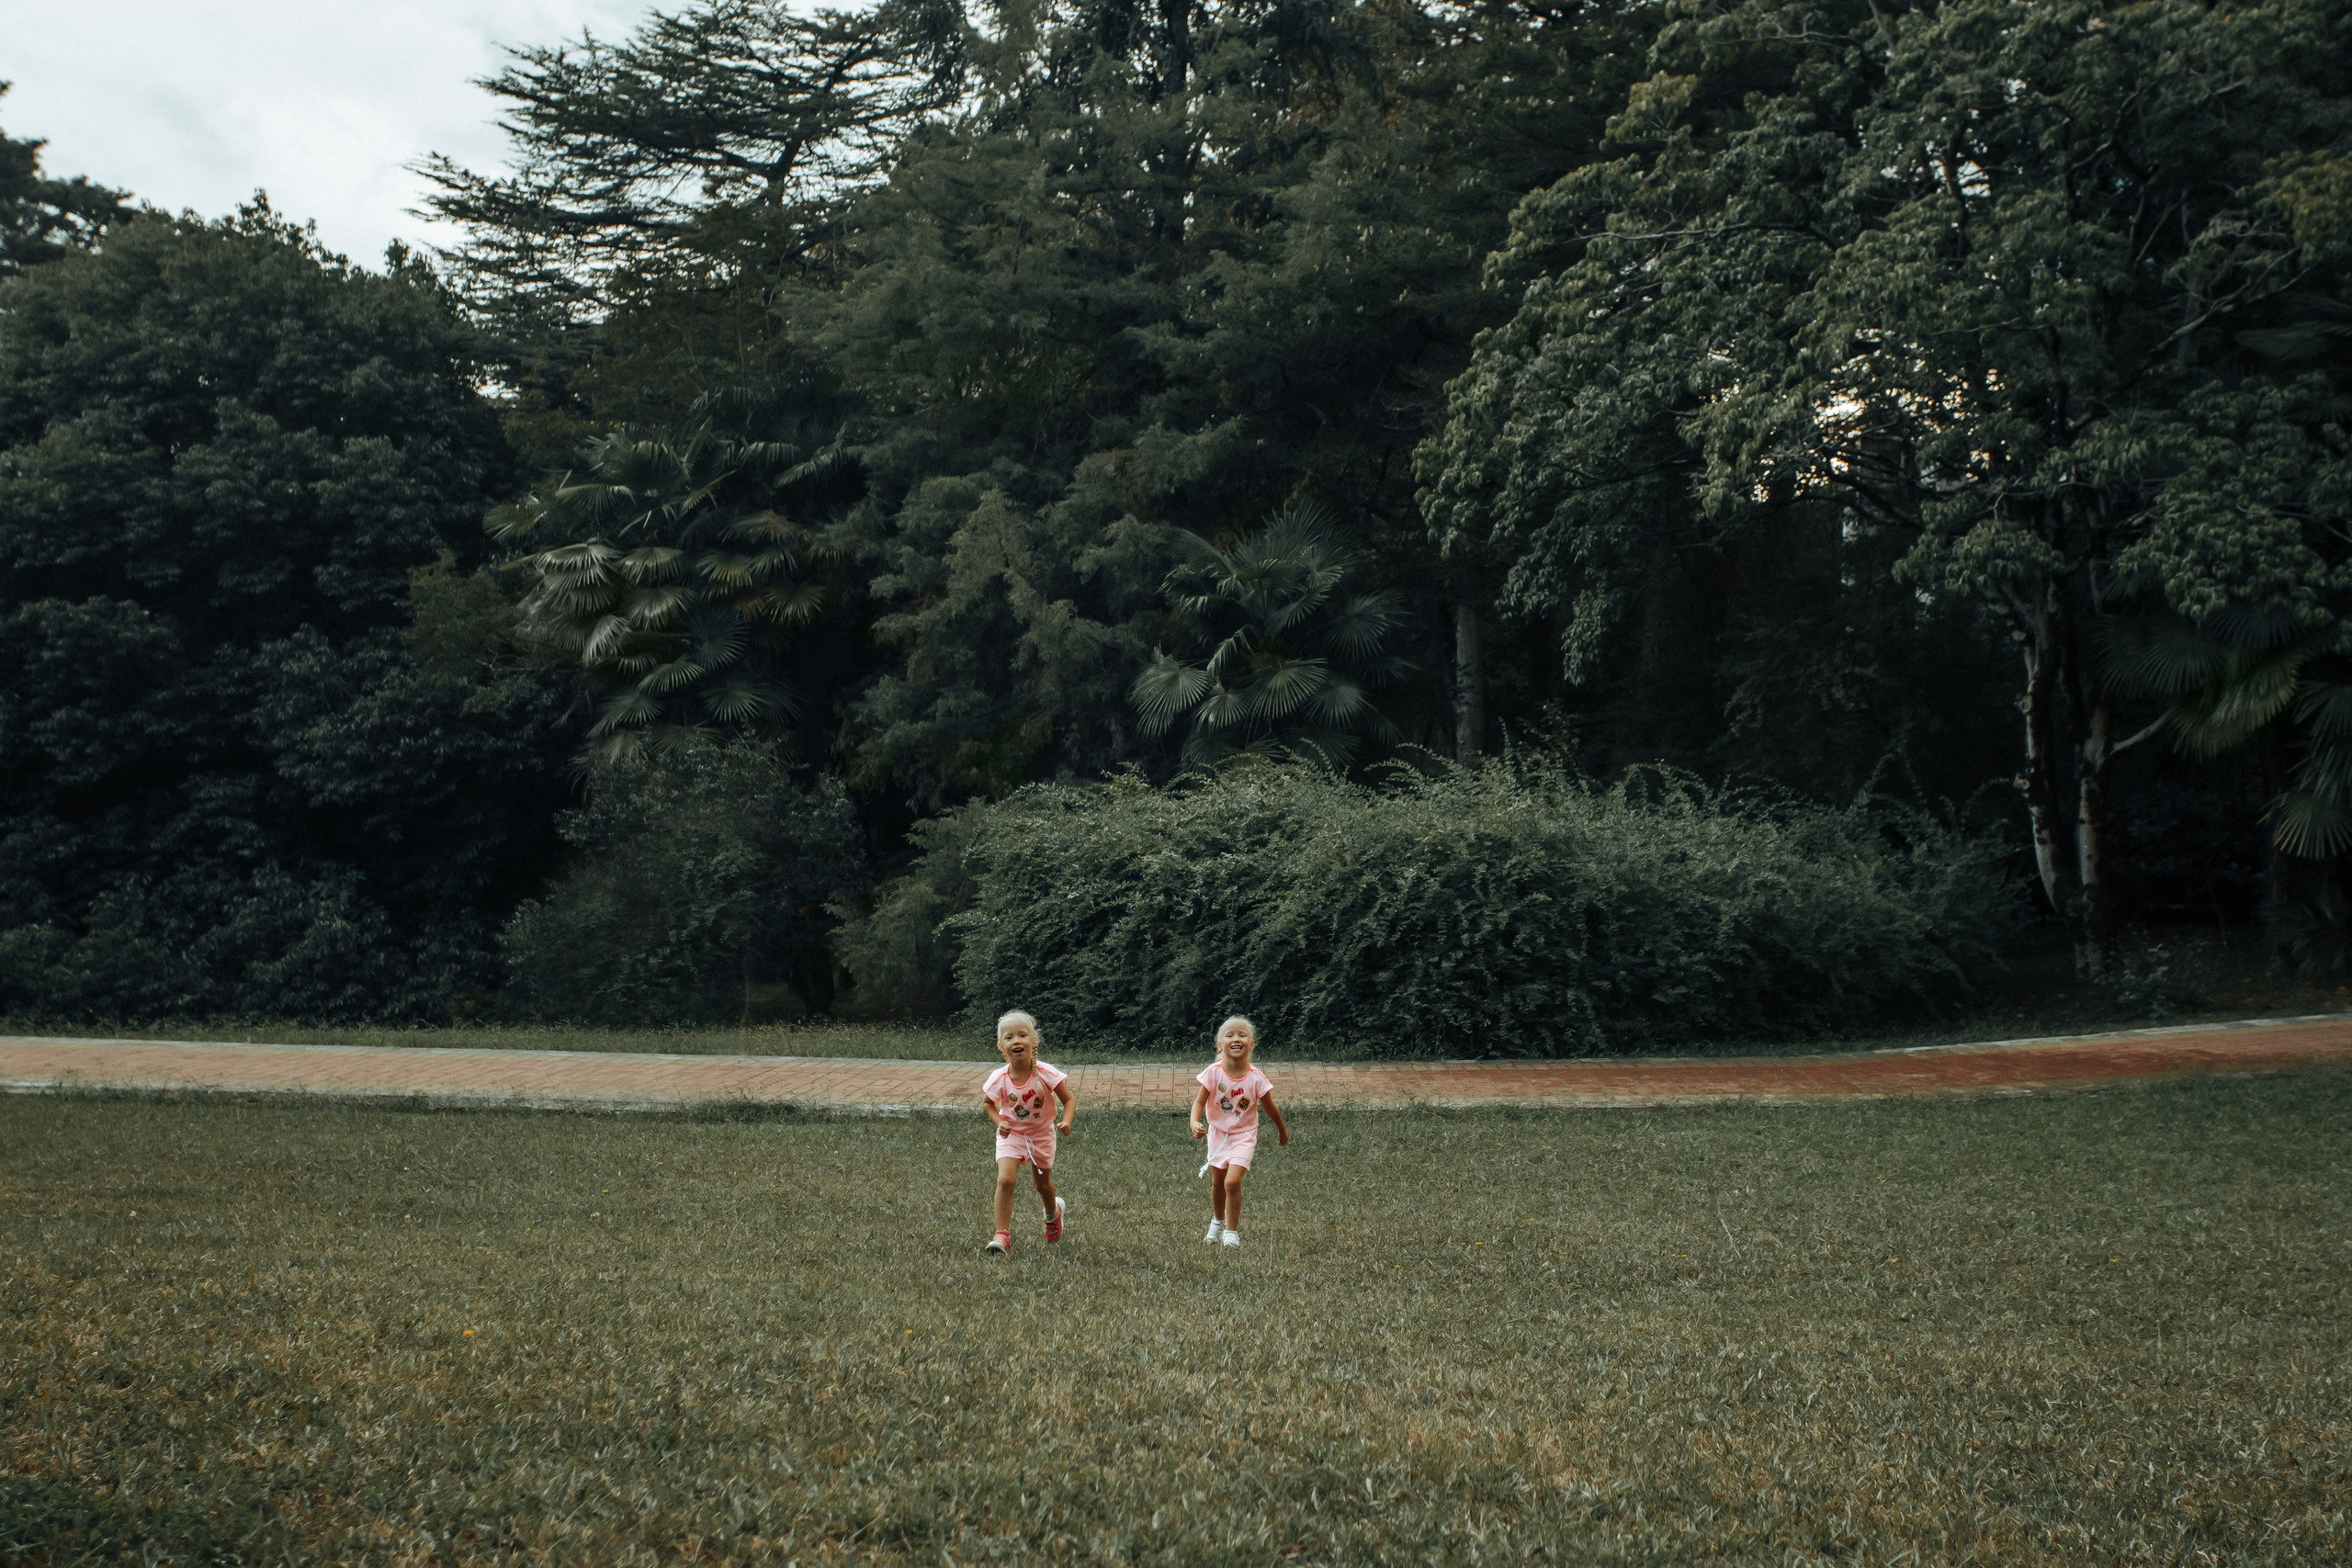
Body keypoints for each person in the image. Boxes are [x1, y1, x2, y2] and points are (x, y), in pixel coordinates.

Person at [1190, 1014, 1289, 1247]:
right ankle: (1217, 1221)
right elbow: (1199, 1102)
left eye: (1242, 1035)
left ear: (1251, 1044)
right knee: (1218, 1183)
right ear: (1220, 1045)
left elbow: (1269, 1107)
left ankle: (1231, 1232)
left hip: (1244, 1136)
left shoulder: (1256, 1079)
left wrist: (1282, 1130)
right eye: (1230, 1035)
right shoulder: (1213, 1073)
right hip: (1218, 1135)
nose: (1236, 1038)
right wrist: (1194, 1122)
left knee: (1232, 1182)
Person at [980, 1010, 1072, 1254]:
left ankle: (1052, 1214)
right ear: (1001, 1046)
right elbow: (988, 1103)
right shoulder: (999, 1078)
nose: (1016, 1041)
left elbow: (1068, 1100)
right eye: (1009, 1037)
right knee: (1005, 1180)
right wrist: (998, 1122)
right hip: (1012, 1134)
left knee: (1042, 1185)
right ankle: (1001, 1236)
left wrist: (1067, 1121)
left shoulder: (1046, 1073)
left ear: (1034, 1040)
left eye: (1022, 1035)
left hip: (1041, 1134)